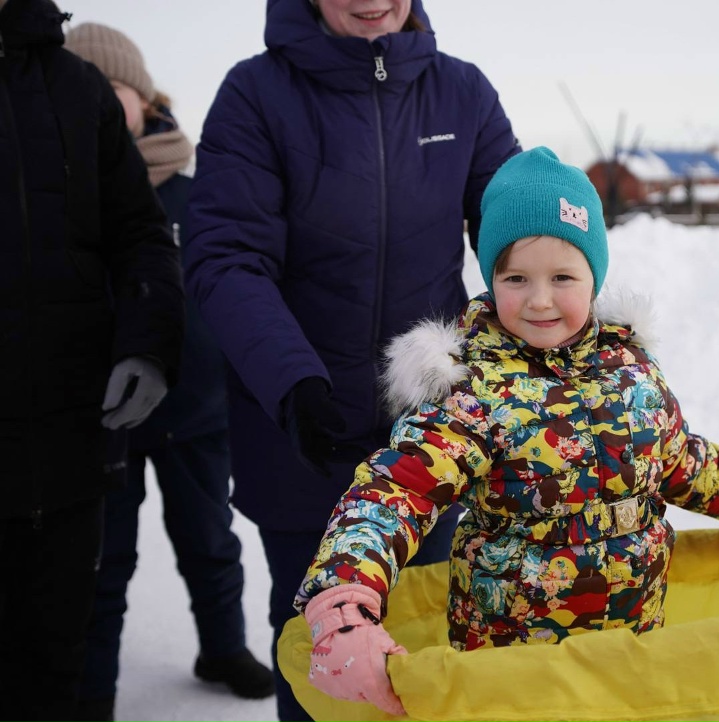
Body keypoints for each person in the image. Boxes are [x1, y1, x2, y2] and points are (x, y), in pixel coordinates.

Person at [291, 147, 719, 714]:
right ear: (491, 277)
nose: (539, 299)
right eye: (516, 276)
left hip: (629, 656)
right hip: (511, 671)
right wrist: (344, 604)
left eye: (562, 276)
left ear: (594, 278)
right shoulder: (473, 390)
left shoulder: (630, 372)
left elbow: (683, 462)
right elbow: (396, 492)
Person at [183, 1, 520, 719]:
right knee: (323, 657)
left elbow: (521, 234)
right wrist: (291, 378)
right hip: (304, 431)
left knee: (427, 640)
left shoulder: (462, 92)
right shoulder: (255, 95)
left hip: (428, 438)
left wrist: (558, 327)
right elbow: (226, 255)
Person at [63, 22, 274, 722]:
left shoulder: (194, 191)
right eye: (81, 85)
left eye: (112, 88)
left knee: (212, 542)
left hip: (196, 413)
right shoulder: (61, 194)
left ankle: (222, 648)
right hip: (101, 419)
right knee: (103, 565)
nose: (97, 99)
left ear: (144, 97)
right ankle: (92, 691)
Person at [0, 1, 185, 720]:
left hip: (70, 447)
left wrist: (147, 344)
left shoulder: (78, 90)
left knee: (56, 666)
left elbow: (140, 234)